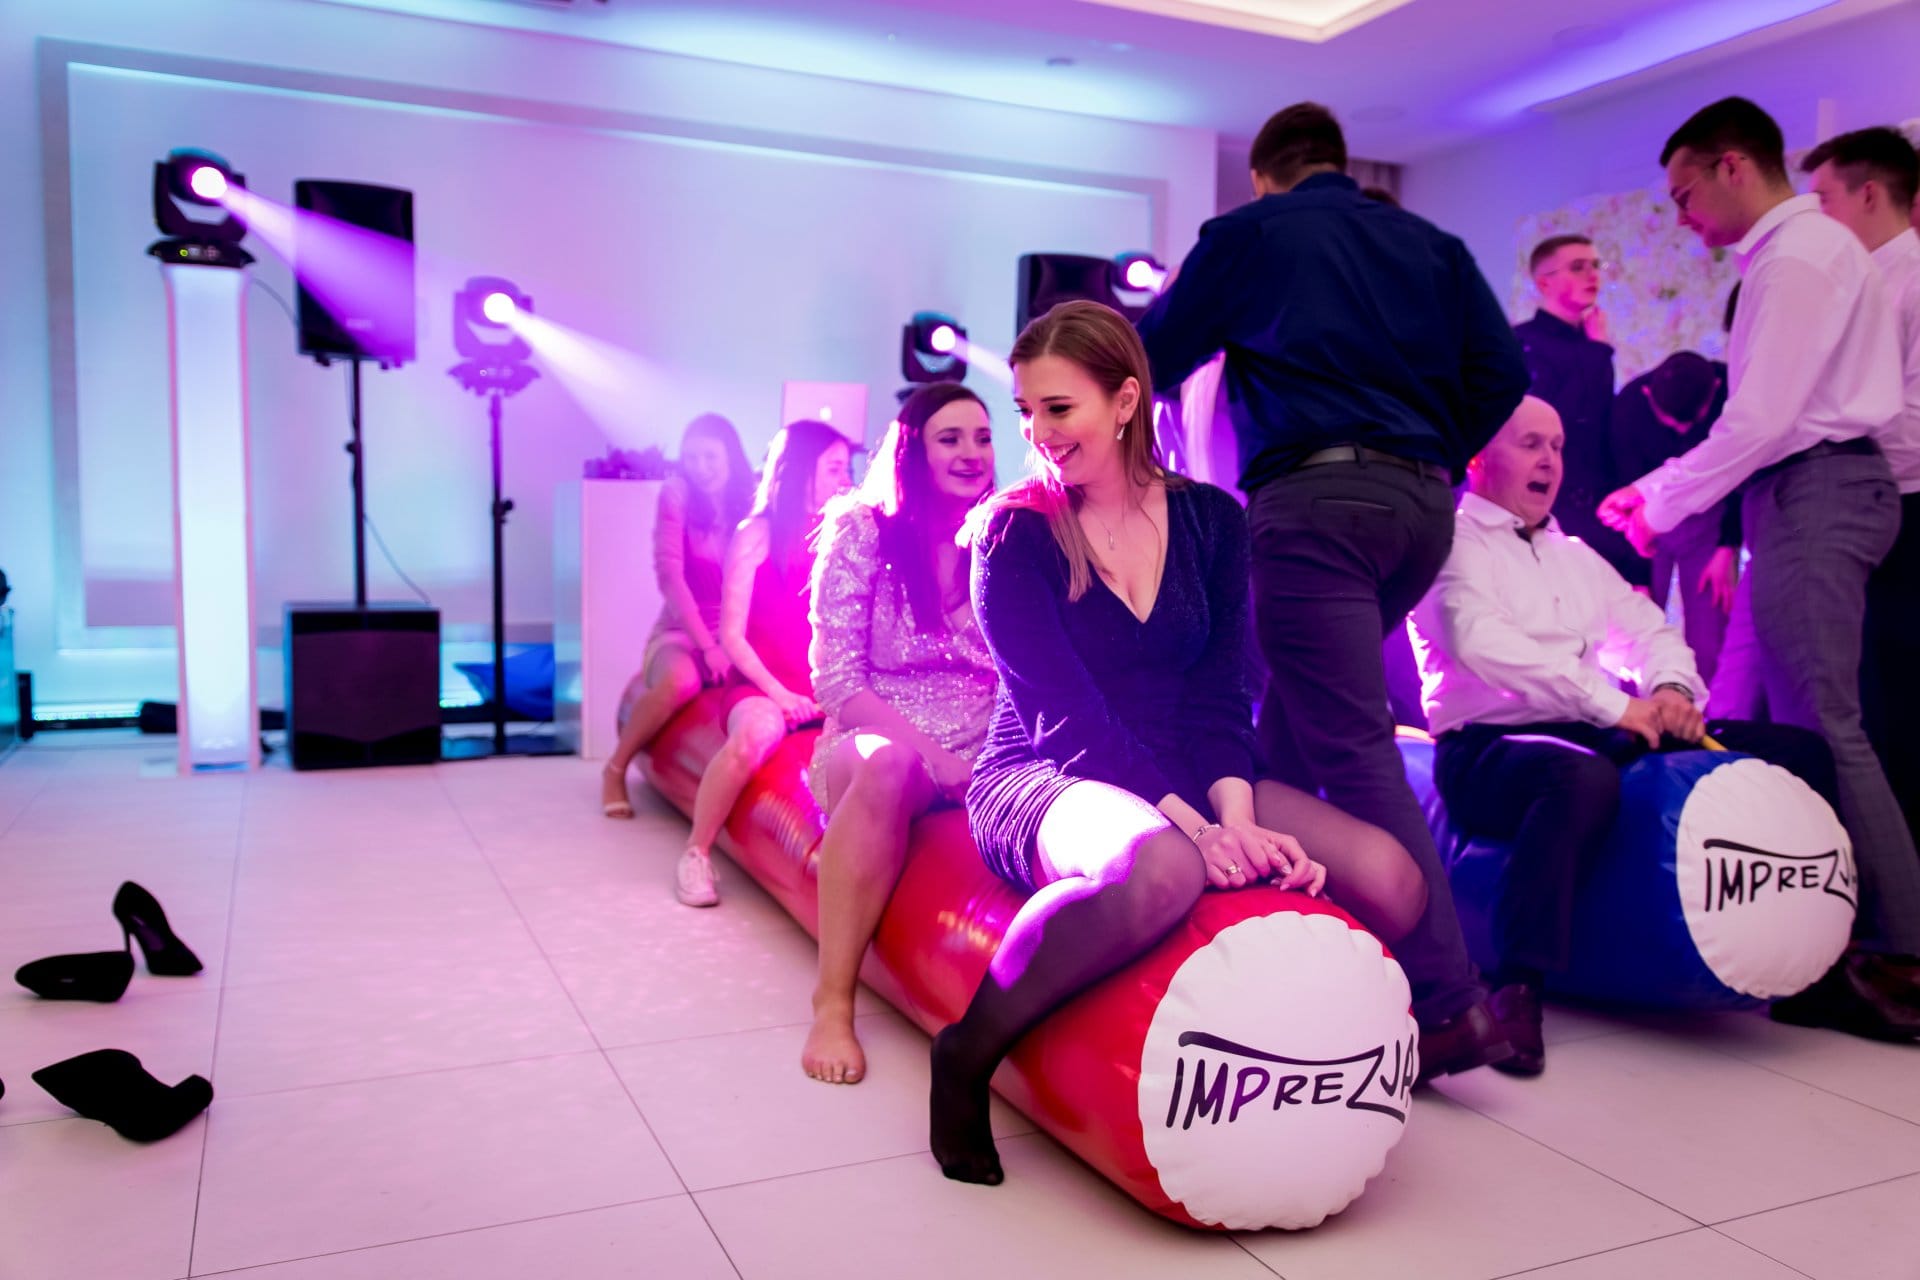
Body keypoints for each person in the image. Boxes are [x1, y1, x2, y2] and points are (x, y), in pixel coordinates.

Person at [933, 301, 1427, 1186]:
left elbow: (1222, 693)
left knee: (1392, 878)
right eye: (1026, 410)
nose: (1037, 433)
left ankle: (1298, 1033)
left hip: (1192, 766)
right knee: (1165, 867)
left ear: (1126, 401)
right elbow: (1065, 718)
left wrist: (1237, 817)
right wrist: (1199, 833)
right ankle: (966, 1054)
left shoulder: (1212, 521)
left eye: (1059, 408)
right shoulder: (1012, 533)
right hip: (1047, 768)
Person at [1135, 102, 1529, 1083]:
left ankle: (1450, 1003)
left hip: (1314, 504)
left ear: (1264, 173)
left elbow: (1151, 358)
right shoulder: (1430, 243)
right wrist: (1433, 450)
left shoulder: (1249, 233)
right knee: (1293, 729)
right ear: (1340, 164)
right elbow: (1504, 371)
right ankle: (1289, 931)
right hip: (1421, 509)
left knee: (1350, 742)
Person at [1599, 98, 1920, 1036]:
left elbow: (1765, 419)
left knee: (1827, 722)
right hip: (1813, 490)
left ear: (1732, 166)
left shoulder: (1800, 254)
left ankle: (1899, 955)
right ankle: (1836, 934)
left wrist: (1658, 496)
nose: (1683, 216)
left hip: (1820, 489)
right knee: (1796, 718)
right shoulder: (1809, 252)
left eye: (1684, 193)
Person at [1412, 398, 1859, 1070]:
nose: (1550, 461)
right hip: (1488, 745)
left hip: (1593, 724)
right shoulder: (1447, 540)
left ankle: (1824, 972)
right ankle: (1515, 989)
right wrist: (1615, 706)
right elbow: (1479, 642)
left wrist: (1671, 690)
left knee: (1801, 752)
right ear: (1479, 458)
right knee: (1579, 777)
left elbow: (1648, 631)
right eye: (1531, 444)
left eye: (1558, 446)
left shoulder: (1574, 554)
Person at [800, 383, 999, 1085]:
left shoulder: (1004, 533)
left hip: (984, 745)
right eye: (951, 439)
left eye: (983, 437)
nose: (972, 453)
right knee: (886, 766)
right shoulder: (863, 528)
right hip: (879, 739)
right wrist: (934, 756)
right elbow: (837, 681)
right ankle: (832, 1002)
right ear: (913, 451)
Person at [677, 419, 852, 907]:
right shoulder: (755, 534)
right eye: (834, 469)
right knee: (756, 734)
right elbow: (731, 637)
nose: (845, 480)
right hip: (762, 682)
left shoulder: (844, 533)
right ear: (801, 471)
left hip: (822, 685)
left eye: (846, 468)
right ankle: (696, 851)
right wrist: (780, 695)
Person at [1803, 126, 1920, 843]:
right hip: (1875, 504)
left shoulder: (1911, 281)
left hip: (1905, 506)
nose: (1815, 218)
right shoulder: (1863, 284)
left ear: (1870, 194)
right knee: (1868, 699)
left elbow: (1912, 421)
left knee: (1899, 701)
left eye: (1824, 199)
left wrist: (1838, 450)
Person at [601, 414, 756, 818]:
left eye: (710, 457)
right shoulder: (677, 494)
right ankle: (614, 769)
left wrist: (735, 644)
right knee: (681, 682)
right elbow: (670, 577)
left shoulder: (753, 498)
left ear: (731, 456)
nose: (700, 468)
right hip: (681, 630)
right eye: (691, 458)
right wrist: (709, 647)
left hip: (738, 631)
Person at [1515, 235, 1645, 586]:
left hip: (1598, 507)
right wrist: (1598, 351)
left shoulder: (1591, 343)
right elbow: (1555, 418)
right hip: (1547, 506)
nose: (1592, 275)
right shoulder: (1523, 342)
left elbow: (1601, 426)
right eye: (1577, 267)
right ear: (1545, 282)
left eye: (1595, 266)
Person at [1610, 353, 1739, 683]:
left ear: (1715, 387)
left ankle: (1711, 711)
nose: (1682, 430)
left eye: (1691, 421)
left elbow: (1740, 474)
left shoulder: (1732, 391)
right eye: (1670, 422)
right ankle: (1638, 711)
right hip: (1644, 531)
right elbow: (1625, 500)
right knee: (1637, 636)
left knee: (1710, 639)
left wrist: (1727, 547)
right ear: (1648, 395)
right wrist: (1637, 578)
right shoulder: (1629, 406)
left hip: (1709, 524)